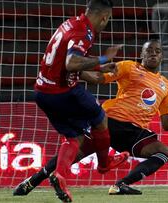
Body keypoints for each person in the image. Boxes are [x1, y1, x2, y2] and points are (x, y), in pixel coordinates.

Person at [13, 39, 168, 196]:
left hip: (135, 132)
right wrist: (72, 70)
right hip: (109, 122)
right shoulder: (129, 67)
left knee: (163, 152)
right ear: (142, 54)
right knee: (73, 155)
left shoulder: (167, 86)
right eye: (149, 50)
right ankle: (31, 182)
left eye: (157, 51)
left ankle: (121, 185)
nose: (153, 54)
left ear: (162, 56)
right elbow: (98, 78)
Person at [27, 0, 129, 202]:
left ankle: (60, 175)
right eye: (107, 21)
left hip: (42, 92)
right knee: (100, 118)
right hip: (63, 92)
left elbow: (65, 64)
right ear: (104, 17)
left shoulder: (71, 23)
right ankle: (104, 164)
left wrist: (100, 70)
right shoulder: (84, 33)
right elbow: (71, 63)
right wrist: (102, 59)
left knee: (74, 137)